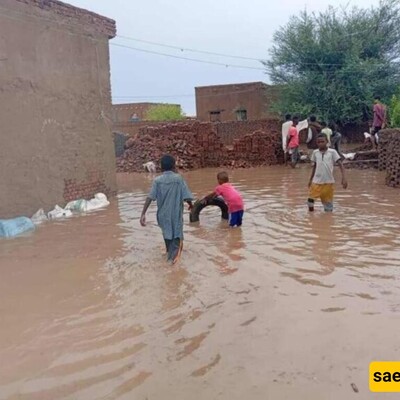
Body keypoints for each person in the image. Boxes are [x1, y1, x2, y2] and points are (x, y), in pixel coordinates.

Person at [140, 154, 194, 264]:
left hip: (163, 216)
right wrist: (191, 205)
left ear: (161, 167)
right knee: (177, 240)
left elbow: (150, 197)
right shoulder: (178, 179)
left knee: (167, 236)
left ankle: (169, 255)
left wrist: (143, 214)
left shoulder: (157, 181)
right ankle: (172, 267)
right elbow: (186, 196)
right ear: (174, 166)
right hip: (175, 216)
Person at [308, 134, 348, 212]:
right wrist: (310, 180)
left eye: (322, 141)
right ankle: (311, 216)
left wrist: (344, 178)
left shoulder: (332, 152)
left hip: (328, 182)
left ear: (327, 142)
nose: (320, 143)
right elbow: (315, 166)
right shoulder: (315, 152)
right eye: (318, 142)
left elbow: (340, 164)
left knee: (328, 206)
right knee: (310, 202)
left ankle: (328, 221)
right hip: (316, 182)